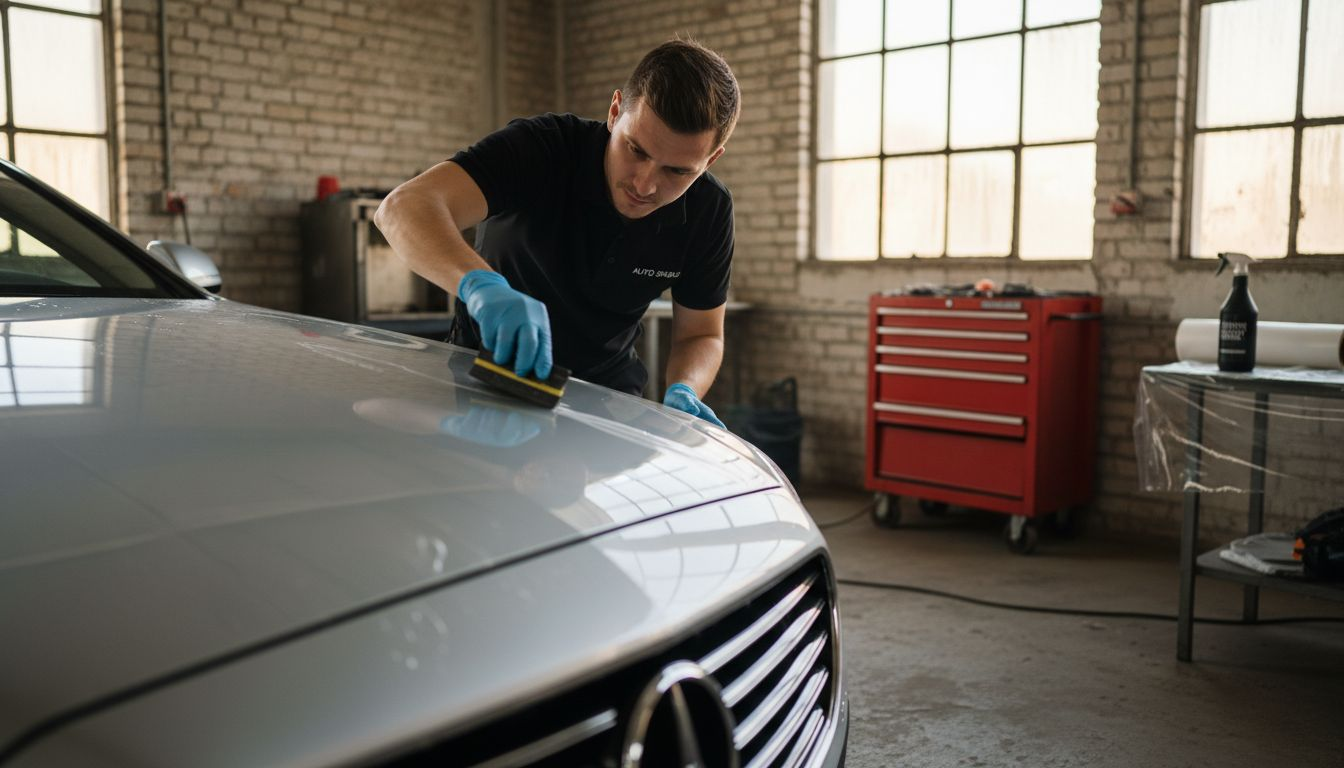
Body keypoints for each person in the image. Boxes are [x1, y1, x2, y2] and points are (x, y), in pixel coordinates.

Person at [374, 38, 740, 427]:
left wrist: (684, 388)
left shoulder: (709, 210)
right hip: (486, 380)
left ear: (710, 159)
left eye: (677, 171)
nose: (645, 185)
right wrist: (481, 286)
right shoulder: (544, 148)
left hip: (606, 400)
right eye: (636, 150)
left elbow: (700, 335)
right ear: (615, 112)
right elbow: (402, 209)